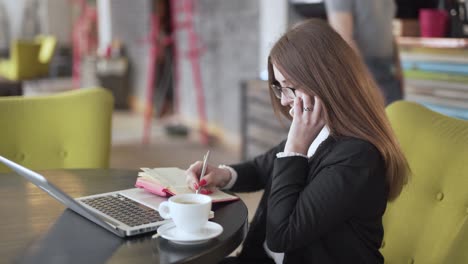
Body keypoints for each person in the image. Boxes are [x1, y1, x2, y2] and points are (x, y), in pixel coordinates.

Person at [185, 19, 409, 264]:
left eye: (290, 87)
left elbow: (282, 235)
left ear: (325, 81)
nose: (283, 101)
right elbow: (264, 166)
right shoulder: (319, 131)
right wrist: (224, 175)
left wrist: (295, 147)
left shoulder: (357, 156)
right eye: (280, 88)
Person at [324, 0, 403, 105]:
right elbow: (343, 39)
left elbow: (388, 28)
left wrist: (399, 67)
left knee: (396, 117)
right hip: (361, 67)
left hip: (388, 66)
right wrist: (368, 82)